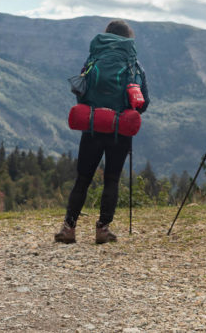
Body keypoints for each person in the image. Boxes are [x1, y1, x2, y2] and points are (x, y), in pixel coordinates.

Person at [55, 20, 150, 244]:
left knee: (83, 178)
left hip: (93, 127)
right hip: (120, 131)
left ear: (106, 36)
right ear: (128, 38)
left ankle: (69, 227)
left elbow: (80, 92)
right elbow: (143, 104)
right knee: (111, 179)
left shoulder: (93, 60)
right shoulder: (134, 64)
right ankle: (102, 229)